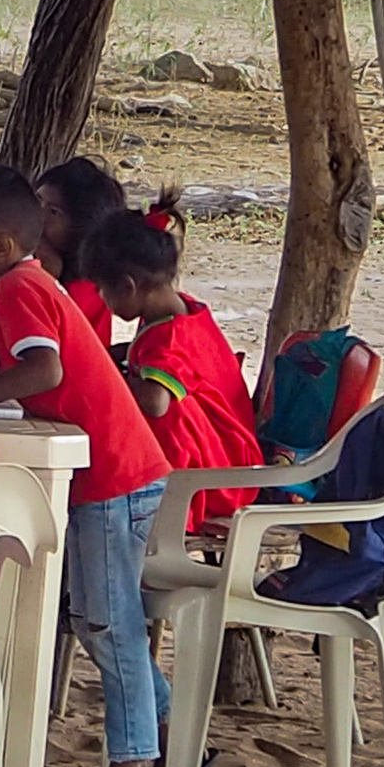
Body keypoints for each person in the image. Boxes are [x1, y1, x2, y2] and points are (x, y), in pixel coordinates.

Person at [0, 163, 171, 767]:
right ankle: (165, 734)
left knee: (106, 621)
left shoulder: (19, 290)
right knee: (101, 616)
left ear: (2, 247)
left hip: (111, 477)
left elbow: (44, 369)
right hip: (101, 474)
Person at [83, 199, 264, 532]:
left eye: (103, 290)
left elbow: (155, 401)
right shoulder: (180, 311)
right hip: (231, 459)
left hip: (217, 476)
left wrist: (102, 376)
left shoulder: (170, 339)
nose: (102, 300)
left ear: (127, 286)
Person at [31, 156, 129, 348]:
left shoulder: (87, 289)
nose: (38, 215)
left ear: (82, 230)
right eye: (37, 201)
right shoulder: (34, 255)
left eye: (53, 212)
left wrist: (47, 281)